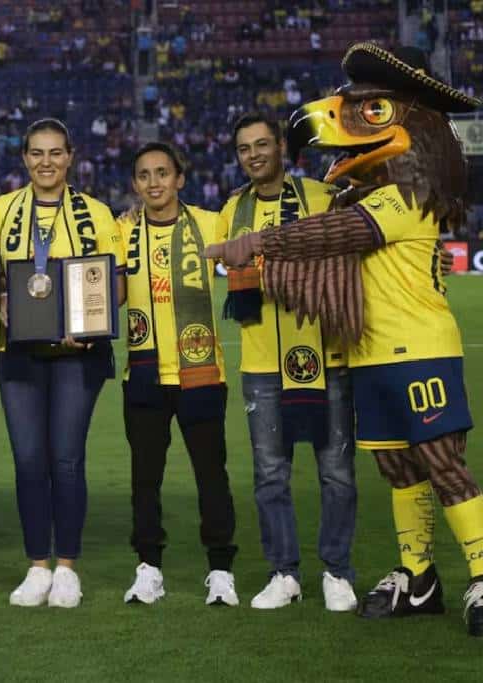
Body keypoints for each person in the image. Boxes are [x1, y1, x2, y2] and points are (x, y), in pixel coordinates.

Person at [209, 43, 483, 636]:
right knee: (398, 468)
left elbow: (333, 234)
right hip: (368, 354)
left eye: (373, 111)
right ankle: (419, 577)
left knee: (442, 465)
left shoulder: (406, 194)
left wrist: (258, 243)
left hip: (420, 349)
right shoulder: (363, 192)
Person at [215, 113, 358, 611]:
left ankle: (336, 572)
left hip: (327, 355)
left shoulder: (321, 197)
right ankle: (284, 574)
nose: (253, 155)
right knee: (270, 475)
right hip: (260, 363)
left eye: (261, 144)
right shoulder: (232, 210)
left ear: (280, 146)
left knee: (337, 472)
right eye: (243, 148)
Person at [0, 118, 126, 608]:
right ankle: (36, 567)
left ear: (70, 157)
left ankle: (66, 568)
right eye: (36, 153)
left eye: (55, 153)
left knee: (66, 459)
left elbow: (116, 285)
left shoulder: (97, 213)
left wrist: (88, 323)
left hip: (77, 354)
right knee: (28, 461)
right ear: (24, 157)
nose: (46, 162)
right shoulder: (3, 209)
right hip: (19, 353)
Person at [118, 143, 239, 607]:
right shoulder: (122, 230)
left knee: (211, 476)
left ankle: (221, 571)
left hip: (201, 372)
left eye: (162, 173)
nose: (154, 183)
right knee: (144, 480)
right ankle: (148, 569)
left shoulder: (211, 223)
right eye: (144, 175)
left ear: (180, 179)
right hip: (144, 374)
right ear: (135, 184)